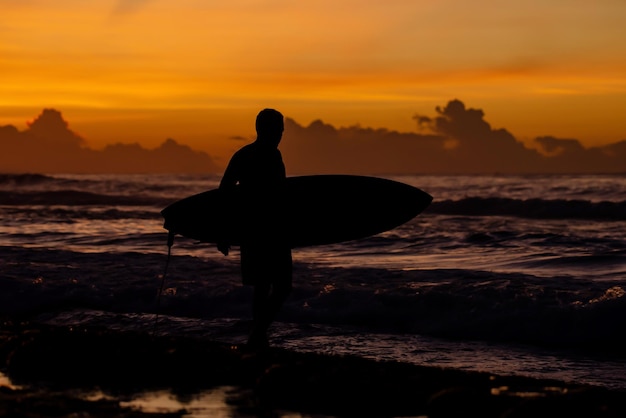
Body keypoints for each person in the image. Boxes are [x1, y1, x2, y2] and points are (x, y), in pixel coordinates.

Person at [217, 108, 292, 349]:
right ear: (263, 129)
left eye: (281, 129)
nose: (280, 133)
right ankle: (258, 334)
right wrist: (222, 232)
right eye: (277, 129)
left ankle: (258, 334)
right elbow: (225, 191)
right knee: (276, 286)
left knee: (267, 287)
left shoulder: (265, 154)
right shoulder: (248, 155)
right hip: (260, 230)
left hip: (268, 230)